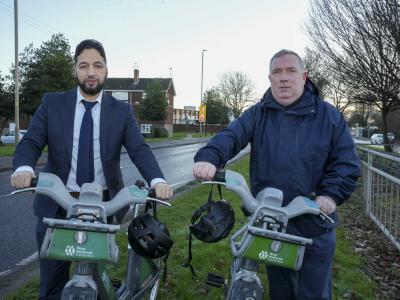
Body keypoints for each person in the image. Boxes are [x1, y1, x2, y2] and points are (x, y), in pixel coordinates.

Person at [11, 39, 173, 299]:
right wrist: (23, 168)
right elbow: (31, 141)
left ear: (106, 70)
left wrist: (157, 179)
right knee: (52, 285)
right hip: (57, 205)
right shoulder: (53, 103)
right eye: (83, 65)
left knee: (97, 283)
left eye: (97, 65)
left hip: (102, 208)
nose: (90, 72)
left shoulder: (121, 111)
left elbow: (139, 149)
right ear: (75, 69)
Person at [193, 49, 360, 300]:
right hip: (272, 225)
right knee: (281, 293)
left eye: (291, 71)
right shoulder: (258, 113)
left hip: (314, 224)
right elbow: (231, 136)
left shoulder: (329, 116)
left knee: (313, 295)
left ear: (304, 77)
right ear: (269, 78)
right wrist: (209, 158)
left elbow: (346, 162)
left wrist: (331, 196)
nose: (283, 78)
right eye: (277, 72)